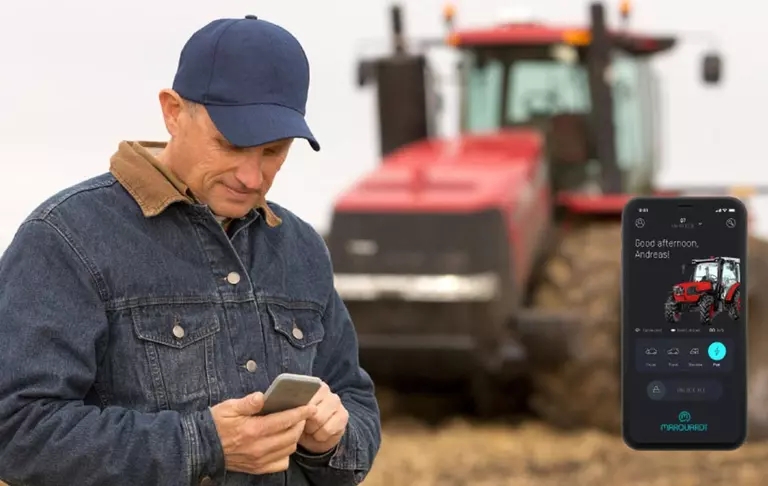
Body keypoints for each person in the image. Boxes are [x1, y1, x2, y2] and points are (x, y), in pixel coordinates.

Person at [0, 15, 381, 486]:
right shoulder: (63, 239)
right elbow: (15, 432)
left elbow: (357, 405)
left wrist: (334, 440)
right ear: (173, 111)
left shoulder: (301, 248)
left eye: (274, 151)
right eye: (230, 145)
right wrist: (203, 444)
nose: (252, 176)